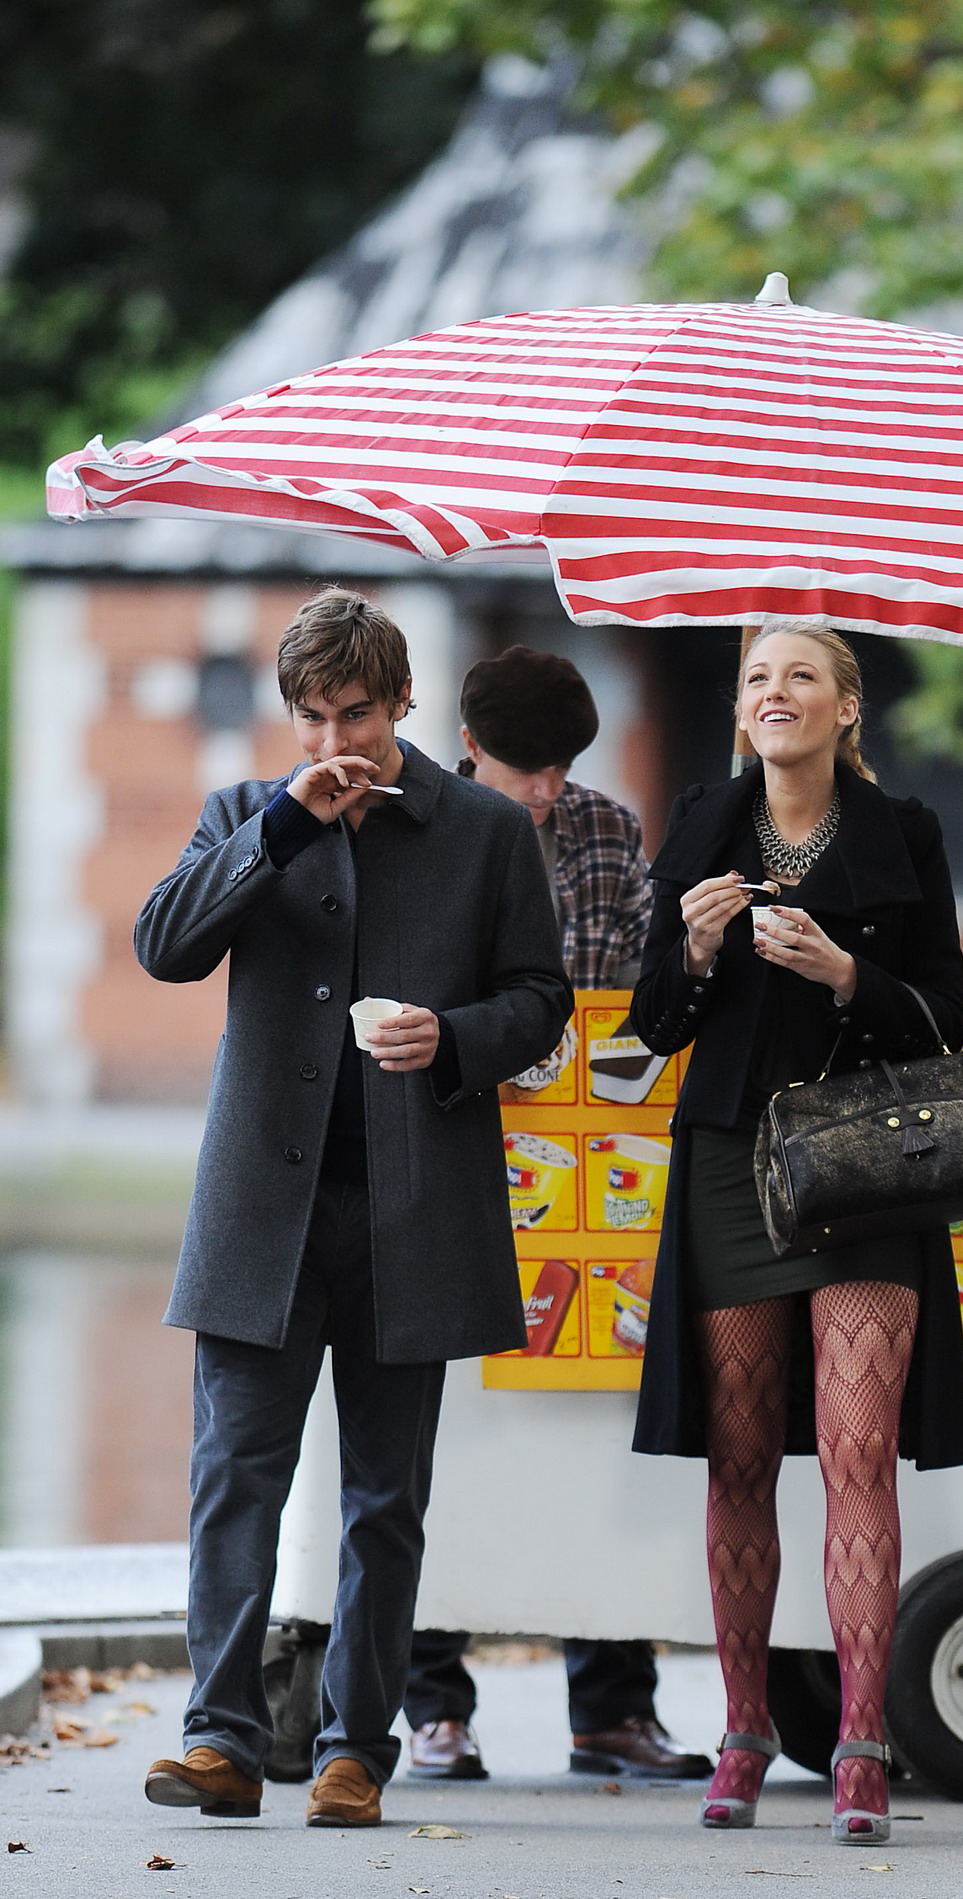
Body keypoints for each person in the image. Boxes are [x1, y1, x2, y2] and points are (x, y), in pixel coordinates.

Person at [136, 590, 572, 1828]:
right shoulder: (247, 813)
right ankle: (220, 1738)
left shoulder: (487, 829)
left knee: (386, 1497)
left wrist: (453, 1037)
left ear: (404, 702)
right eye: (315, 717)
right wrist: (283, 824)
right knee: (234, 1477)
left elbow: (541, 999)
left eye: (360, 715)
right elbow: (165, 945)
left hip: (412, 1209)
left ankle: (354, 1752)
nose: (338, 741)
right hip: (260, 1215)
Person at [629, 619, 963, 1846]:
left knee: (857, 1452)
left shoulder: (905, 832)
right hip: (731, 1162)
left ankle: (862, 1742)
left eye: (801, 676)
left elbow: (942, 1018)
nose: (775, 692)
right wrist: (696, 944)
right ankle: (744, 1728)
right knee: (737, 1454)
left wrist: (842, 973)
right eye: (756, 678)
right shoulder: (699, 824)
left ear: (846, 707)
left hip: (867, 1168)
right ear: (741, 711)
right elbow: (654, 1023)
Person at [405, 643, 711, 1785]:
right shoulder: (415, 826)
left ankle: (612, 1706)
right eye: (523, 767)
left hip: (594, 1164)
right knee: (439, 1440)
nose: (543, 789)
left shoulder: (605, 830)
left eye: (559, 767)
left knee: (597, 1433)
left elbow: (638, 993)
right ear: (469, 745)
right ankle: (432, 1700)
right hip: (449, 1157)